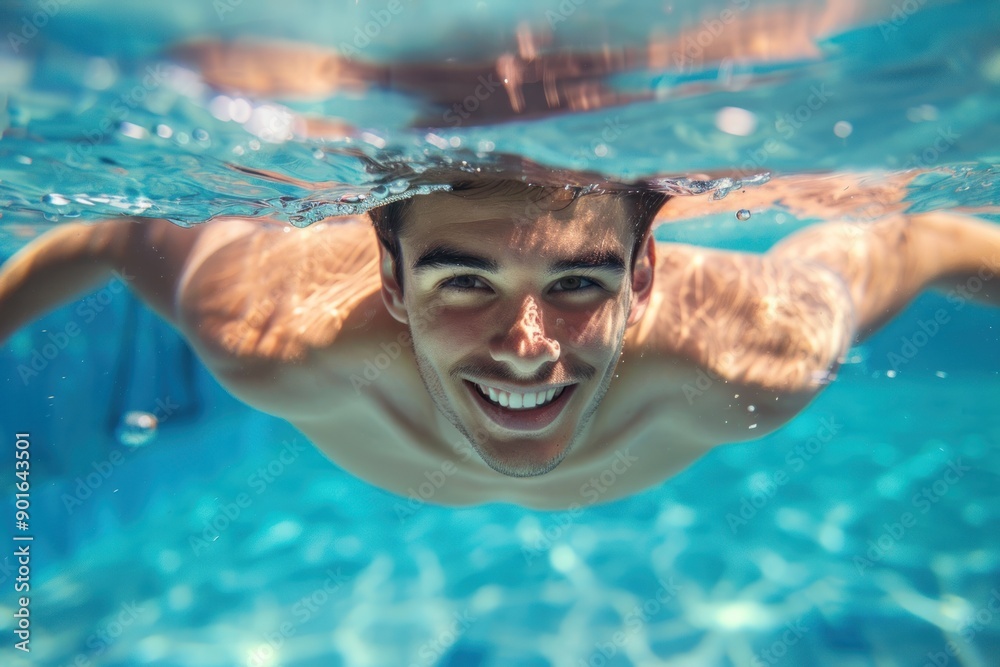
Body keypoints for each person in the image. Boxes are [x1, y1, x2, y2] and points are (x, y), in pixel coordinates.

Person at [1, 175, 998, 509]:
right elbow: (114, 233)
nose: (527, 348)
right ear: (391, 281)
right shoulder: (269, 330)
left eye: (576, 284)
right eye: (465, 283)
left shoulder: (752, 352)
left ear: (641, 276)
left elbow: (922, 241)